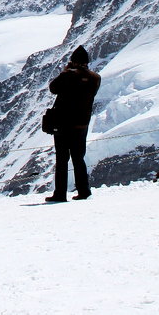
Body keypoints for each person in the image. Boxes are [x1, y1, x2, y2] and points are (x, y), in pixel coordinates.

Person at [45, 46, 102, 202]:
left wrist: (65, 72)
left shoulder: (67, 76)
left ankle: (60, 193)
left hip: (63, 124)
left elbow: (53, 88)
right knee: (78, 158)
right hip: (82, 124)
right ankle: (84, 191)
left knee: (62, 159)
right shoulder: (95, 78)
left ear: (73, 62)